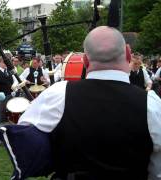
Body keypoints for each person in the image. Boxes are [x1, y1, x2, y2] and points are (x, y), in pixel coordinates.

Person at [18, 26, 161, 179]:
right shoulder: (152, 105)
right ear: (127, 53)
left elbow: (24, 142)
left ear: (85, 60)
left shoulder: (58, 94)